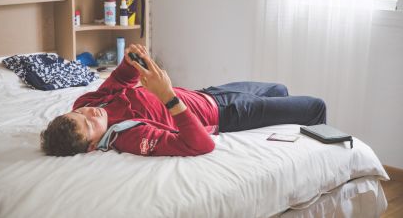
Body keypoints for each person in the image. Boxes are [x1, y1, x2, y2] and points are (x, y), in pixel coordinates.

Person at [41, 44, 326, 157]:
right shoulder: (128, 136)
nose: (91, 113)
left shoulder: (90, 102)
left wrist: (132, 60)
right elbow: (201, 144)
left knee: (280, 88)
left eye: (81, 113)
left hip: (207, 93)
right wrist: (167, 96)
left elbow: (121, 78)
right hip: (224, 115)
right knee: (315, 107)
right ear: (93, 145)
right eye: (89, 124)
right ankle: (322, 158)